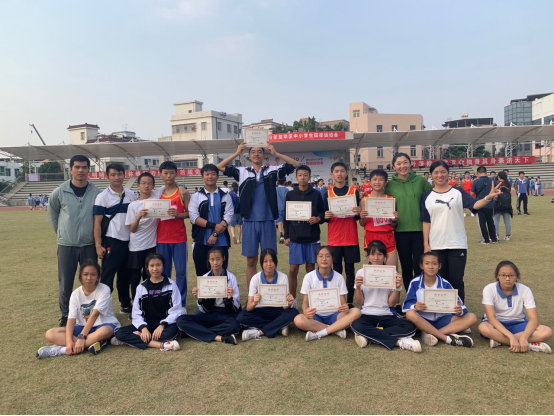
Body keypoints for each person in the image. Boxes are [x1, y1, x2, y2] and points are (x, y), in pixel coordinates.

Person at [217, 143, 299, 287]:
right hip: (249, 221)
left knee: (269, 260)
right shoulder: (242, 171)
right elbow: (220, 166)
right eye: (253, 152)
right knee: (251, 260)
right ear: (249, 156)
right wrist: (237, 153)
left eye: (259, 152)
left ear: (263, 155)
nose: (256, 154)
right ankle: (252, 294)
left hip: (268, 220)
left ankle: (270, 292)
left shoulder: (272, 170)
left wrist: (276, 153)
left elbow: (295, 164)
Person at [421, 161, 502, 302]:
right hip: (437, 244)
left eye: (443, 172)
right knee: (440, 280)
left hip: (457, 243)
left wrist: (488, 198)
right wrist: (426, 244)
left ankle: (459, 311)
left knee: (456, 280)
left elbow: (474, 205)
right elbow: (426, 221)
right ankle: (443, 310)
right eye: (436, 172)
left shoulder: (458, 192)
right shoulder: (427, 196)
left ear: (448, 173)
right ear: (431, 175)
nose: (440, 175)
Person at [48, 155, 102, 327]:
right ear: (71, 169)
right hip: (67, 245)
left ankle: (91, 314)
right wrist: (62, 233)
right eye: (77, 167)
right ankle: (65, 315)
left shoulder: (96, 192)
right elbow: (53, 214)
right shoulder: (60, 192)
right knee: (65, 282)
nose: (81, 170)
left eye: (84, 167)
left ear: (88, 170)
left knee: (91, 280)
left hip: (88, 244)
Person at [37, 260, 120, 359]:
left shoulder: (104, 289)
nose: (89, 278)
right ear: (80, 276)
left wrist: (82, 337)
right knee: (50, 334)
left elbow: (94, 315)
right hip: (82, 326)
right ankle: (95, 343)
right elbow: (71, 319)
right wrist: (69, 341)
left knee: (105, 331)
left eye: (93, 274)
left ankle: (61, 350)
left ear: (98, 276)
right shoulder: (75, 294)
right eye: (85, 274)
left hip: (103, 324)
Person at [351, 241, 421, 352]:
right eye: (372, 254)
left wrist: (397, 287)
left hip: (387, 314)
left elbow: (391, 303)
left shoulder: (392, 273)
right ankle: (399, 342)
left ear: (385, 256)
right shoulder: (361, 273)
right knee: (356, 325)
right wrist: (358, 287)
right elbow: (360, 302)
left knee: (410, 327)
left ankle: (369, 337)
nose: (376, 258)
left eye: (379, 254)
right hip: (366, 314)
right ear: (368, 256)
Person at [403, 252, 478, 348]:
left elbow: (461, 306)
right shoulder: (415, 283)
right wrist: (415, 306)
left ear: (439, 266)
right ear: (421, 266)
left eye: (434, 263)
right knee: (410, 314)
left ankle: (432, 334)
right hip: (423, 320)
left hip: (443, 320)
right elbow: (406, 306)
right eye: (427, 263)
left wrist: (459, 311)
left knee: (472, 317)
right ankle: (446, 338)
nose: (431, 267)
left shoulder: (445, 284)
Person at [111, 253, 182, 352]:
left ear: (163, 266)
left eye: (158, 265)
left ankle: (133, 339)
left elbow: (176, 310)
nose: (155, 269)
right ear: (147, 268)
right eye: (152, 265)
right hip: (147, 324)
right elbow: (136, 313)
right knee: (120, 333)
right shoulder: (141, 287)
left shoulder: (171, 285)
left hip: (165, 325)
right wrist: (143, 329)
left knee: (170, 334)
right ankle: (162, 344)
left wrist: (162, 325)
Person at [478, 261, 552, 354]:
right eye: (503, 275)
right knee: (483, 328)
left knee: (546, 331)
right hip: (496, 325)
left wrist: (524, 337)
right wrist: (511, 337)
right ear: (497, 276)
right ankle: (528, 344)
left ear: (517, 276)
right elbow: (491, 319)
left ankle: (500, 341)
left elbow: (534, 319)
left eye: (511, 275)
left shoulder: (525, 290)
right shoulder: (489, 289)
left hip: (518, 323)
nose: (507, 278)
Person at [384, 153, 433, 292]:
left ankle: (420, 294)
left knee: (420, 265)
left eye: (405, 162)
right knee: (406, 267)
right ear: (393, 166)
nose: (402, 166)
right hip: (400, 232)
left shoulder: (421, 181)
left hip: (420, 230)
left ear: (410, 164)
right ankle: (410, 296)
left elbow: (432, 198)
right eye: (398, 163)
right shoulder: (390, 185)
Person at [294, 246, 362, 342]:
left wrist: (345, 307)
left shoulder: (339, 277)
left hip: (335, 315)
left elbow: (343, 303)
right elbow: (305, 303)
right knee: (298, 319)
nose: (324, 259)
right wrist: (305, 311)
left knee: (356, 312)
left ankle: (321, 332)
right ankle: (335, 330)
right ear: (316, 259)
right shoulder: (308, 277)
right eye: (320, 256)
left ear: (333, 259)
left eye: (327, 256)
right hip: (315, 316)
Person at [93, 163, 136, 314]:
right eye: (113, 174)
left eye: (119, 174)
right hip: (111, 240)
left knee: (125, 275)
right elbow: (97, 223)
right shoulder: (102, 197)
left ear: (124, 175)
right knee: (108, 276)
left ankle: (125, 304)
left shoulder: (131, 194)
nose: (116, 177)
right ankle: (102, 308)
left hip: (129, 241)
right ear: (107, 176)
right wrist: (98, 245)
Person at [177, 247, 241, 346]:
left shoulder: (231, 278)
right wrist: (200, 299)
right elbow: (203, 310)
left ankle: (195, 332)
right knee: (181, 320)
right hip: (209, 314)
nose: (215, 262)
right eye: (212, 259)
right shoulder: (204, 278)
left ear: (223, 259)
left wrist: (230, 299)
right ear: (208, 260)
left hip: (226, 315)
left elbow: (236, 307)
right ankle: (219, 337)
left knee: (235, 326)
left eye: (218, 259)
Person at [237, 249, 298, 341]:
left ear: (275, 262)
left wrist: (289, 303)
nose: (269, 264)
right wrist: (254, 302)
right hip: (260, 310)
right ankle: (278, 327)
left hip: (277, 310)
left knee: (294, 312)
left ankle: (259, 332)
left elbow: (285, 307)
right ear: (261, 263)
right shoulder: (255, 278)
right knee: (241, 317)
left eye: (271, 261)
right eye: (265, 261)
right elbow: (249, 307)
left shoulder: (283, 277)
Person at [323, 162, 362, 307]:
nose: (339, 174)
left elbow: (357, 217)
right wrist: (325, 216)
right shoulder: (327, 193)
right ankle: (338, 301)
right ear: (332, 174)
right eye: (336, 171)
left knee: (350, 271)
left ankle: (349, 301)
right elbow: (324, 217)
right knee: (336, 271)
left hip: (350, 237)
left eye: (342, 171)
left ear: (346, 173)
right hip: (334, 239)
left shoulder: (353, 191)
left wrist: (358, 212)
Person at [284, 165, 325, 299]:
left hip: (312, 237)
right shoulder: (290, 194)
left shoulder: (316, 194)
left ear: (309, 177)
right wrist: (286, 235)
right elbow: (286, 217)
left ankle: (311, 299)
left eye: (305, 175)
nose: (303, 178)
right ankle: (292, 300)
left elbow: (322, 212)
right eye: (300, 175)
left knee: (310, 269)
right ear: (296, 177)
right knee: (293, 269)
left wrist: (318, 218)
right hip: (295, 237)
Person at [156, 161, 191, 313]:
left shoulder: (183, 192)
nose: (169, 176)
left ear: (176, 173)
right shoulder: (157, 194)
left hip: (179, 238)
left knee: (181, 272)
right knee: (164, 273)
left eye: (171, 173)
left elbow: (189, 213)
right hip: (162, 239)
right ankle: (166, 301)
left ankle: (181, 303)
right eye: (166, 173)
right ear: (160, 175)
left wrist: (177, 215)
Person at [189, 164, 234, 277]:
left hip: (221, 241)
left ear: (217, 176)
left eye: (213, 174)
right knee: (201, 274)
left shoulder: (225, 196)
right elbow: (194, 218)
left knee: (221, 274)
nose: (210, 176)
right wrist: (214, 226)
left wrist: (215, 234)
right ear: (202, 177)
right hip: (201, 241)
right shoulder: (196, 196)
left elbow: (228, 216)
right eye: (207, 174)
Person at [125, 172, 159, 301]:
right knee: (135, 277)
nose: (146, 186)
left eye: (149, 183)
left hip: (151, 246)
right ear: (138, 185)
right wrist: (138, 217)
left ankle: (148, 302)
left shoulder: (156, 201)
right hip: (136, 247)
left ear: (153, 186)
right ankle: (136, 303)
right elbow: (132, 229)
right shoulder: (133, 205)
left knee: (149, 275)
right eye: (143, 183)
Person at [360, 169, 399, 268]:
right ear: (370, 182)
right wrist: (362, 216)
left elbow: (392, 224)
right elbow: (362, 223)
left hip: (387, 235)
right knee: (375, 270)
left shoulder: (390, 199)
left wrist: (394, 219)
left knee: (392, 270)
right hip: (371, 235)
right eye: (374, 179)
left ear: (385, 182)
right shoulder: (365, 200)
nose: (377, 182)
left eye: (381, 179)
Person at [471, 166, 499, 245]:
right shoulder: (492, 180)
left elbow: (472, 193)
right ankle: (494, 239)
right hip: (490, 204)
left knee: (482, 223)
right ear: (486, 172)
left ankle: (485, 239)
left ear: (478, 173)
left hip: (480, 204)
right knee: (491, 222)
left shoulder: (475, 181)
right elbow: (495, 191)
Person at [493, 171, 514, 242]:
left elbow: (494, 191)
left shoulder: (497, 183)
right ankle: (507, 236)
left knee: (496, 220)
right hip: (507, 204)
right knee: (507, 220)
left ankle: (496, 235)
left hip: (497, 203)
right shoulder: (508, 183)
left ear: (499, 177)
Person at [276, 178, 289, 244]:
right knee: (285, 222)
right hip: (285, 207)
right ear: (284, 182)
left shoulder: (275, 189)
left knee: (279, 221)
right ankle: (285, 234)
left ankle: (281, 234)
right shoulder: (286, 189)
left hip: (278, 207)